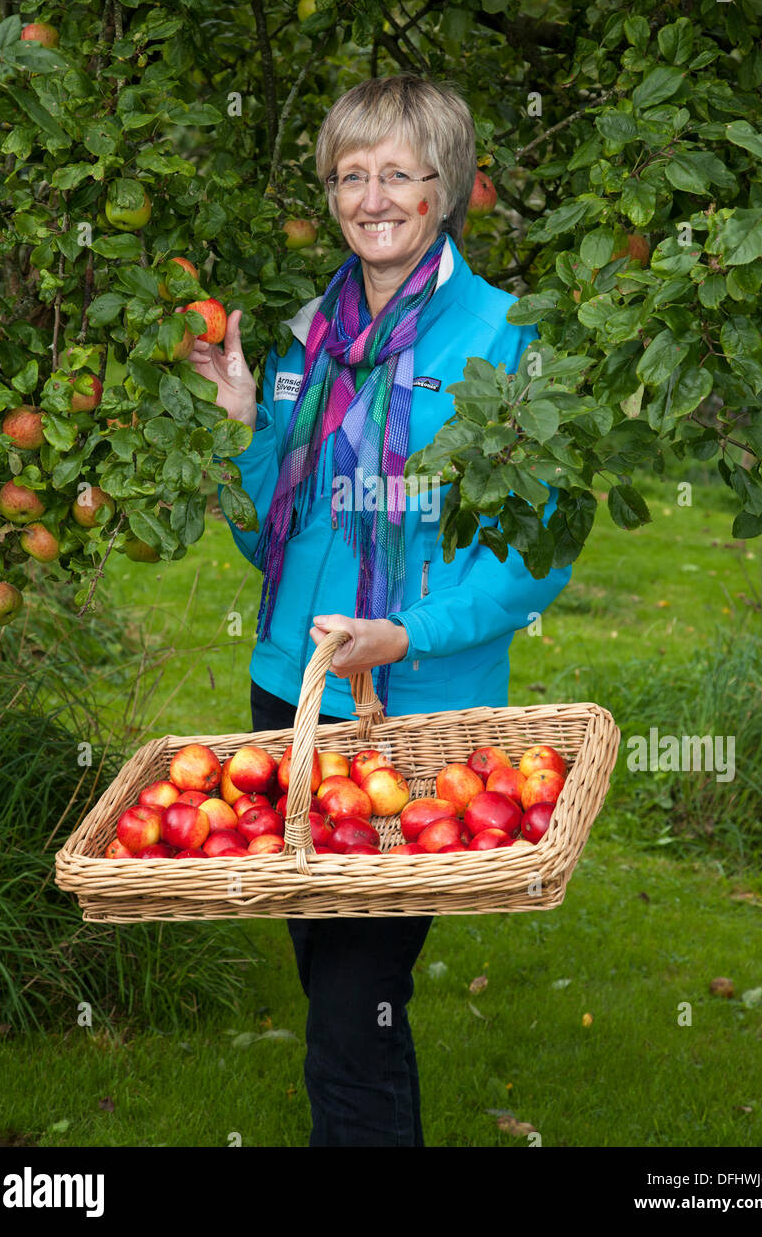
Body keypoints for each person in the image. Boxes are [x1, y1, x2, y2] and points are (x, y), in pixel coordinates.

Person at [190, 73, 572, 1147]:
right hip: (291, 695)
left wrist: (409, 632)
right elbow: (263, 532)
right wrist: (238, 423)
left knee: (354, 1003)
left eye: (398, 172)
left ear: (445, 185)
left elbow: (539, 551)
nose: (372, 197)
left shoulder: (507, 338)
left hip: (414, 713)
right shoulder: (303, 338)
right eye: (349, 174)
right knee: (332, 981)